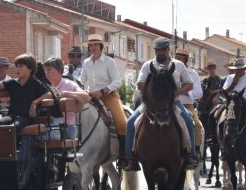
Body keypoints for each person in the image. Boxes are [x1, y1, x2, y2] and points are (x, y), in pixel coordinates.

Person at [124, 37, 199, 171]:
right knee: (130, 122)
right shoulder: (147, 65)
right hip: (151, 104)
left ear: (168, 50)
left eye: (163, 50)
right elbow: (140, 84)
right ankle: (131, 158)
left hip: (173, 103)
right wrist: (153, 93)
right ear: (155, 51)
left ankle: (190, 155)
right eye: (158, 50)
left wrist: (176, 92)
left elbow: (190, 84)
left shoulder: (179, 65)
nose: (160, 53)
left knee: (188, 122)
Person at [80, 34, 127, 165]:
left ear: (101, 47)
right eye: (90, 45)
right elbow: (82, 81)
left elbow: (117, 81)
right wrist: (82, 91)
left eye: (95, 44)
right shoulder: (86, 62)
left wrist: (102, 91)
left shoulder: (109, 61)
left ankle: (123, 155)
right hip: (89, 96)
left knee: (122, 123)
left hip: (109, 96)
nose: (92, 47)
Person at [0, 53, 52, 136]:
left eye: (21, 66)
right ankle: (4, 148)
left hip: (27, 118)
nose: (18, 69)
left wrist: (35, 102)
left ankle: (13, 148)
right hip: (12, 115)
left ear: (30, 68)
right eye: (17, 66)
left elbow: (48, 94)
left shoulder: (35, 83)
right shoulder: (13, 82)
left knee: (15, 127)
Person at [44, 57, 90, 138]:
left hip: (66, 127)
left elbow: (86, 97)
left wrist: (67, 93)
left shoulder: (69, 84)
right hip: (49, 126)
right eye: (45, 70)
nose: (46, 73)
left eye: (49, 70)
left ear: (59, 70)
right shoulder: (44, 86)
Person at [175, 49, 204, 161]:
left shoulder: (193, 73)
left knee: (196, 124)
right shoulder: (169, 70)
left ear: (186, 60)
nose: (176, 59)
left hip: (187, 104)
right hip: (170, 103)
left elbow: (199, 93)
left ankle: (195, 151)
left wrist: (186, 91)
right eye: (176, 57)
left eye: (180, 58)